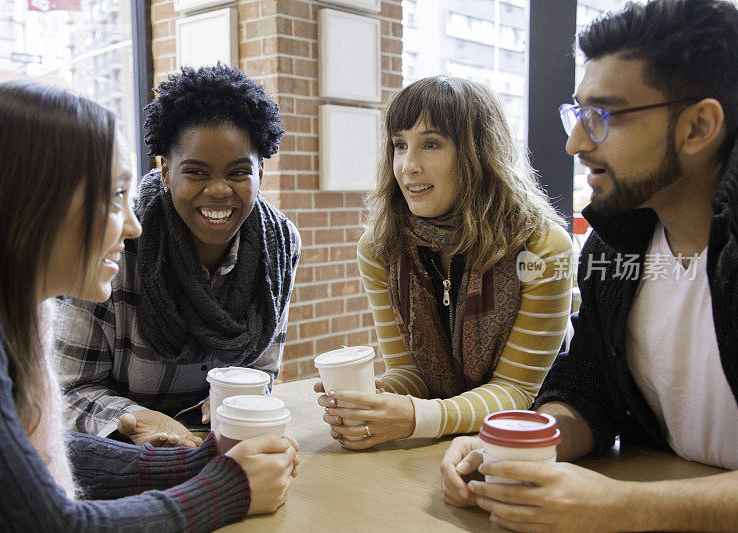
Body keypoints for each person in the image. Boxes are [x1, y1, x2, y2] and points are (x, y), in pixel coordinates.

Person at [0, 81, 298, 530]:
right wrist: (223, 490)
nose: (131, 225)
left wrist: (195, 463)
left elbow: (39, 451)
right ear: (26, 199)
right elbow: (41, 523)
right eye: (113, 197)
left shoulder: (6, 302)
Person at [440, 0, 738, 530]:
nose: (575, 142)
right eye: (577, 114)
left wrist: (622, 506)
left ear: (698, 127)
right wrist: (520, 447)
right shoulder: (615, 246)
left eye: (604, 116)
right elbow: (588, 389)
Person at [316, 76, 573, 449]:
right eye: (399, 145)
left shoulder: (542, 248)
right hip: (435, 450)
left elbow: (517, 390)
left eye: (431, 144)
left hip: (530, 446)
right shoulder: (381, 249)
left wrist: (414, 418)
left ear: (480, 153)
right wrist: (374, 397)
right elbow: (412, 372)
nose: (407, 165)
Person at [53, 64, 301, 448]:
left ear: (261, 173)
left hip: (221, 449)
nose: (219, 190)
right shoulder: (116, 243)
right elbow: (65, 389)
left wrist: (234, 401)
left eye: (238, 173)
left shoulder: (279, 244)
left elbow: (262, 372)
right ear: (166, 172)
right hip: (122, 455)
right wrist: (133, 420)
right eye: (196, 173)